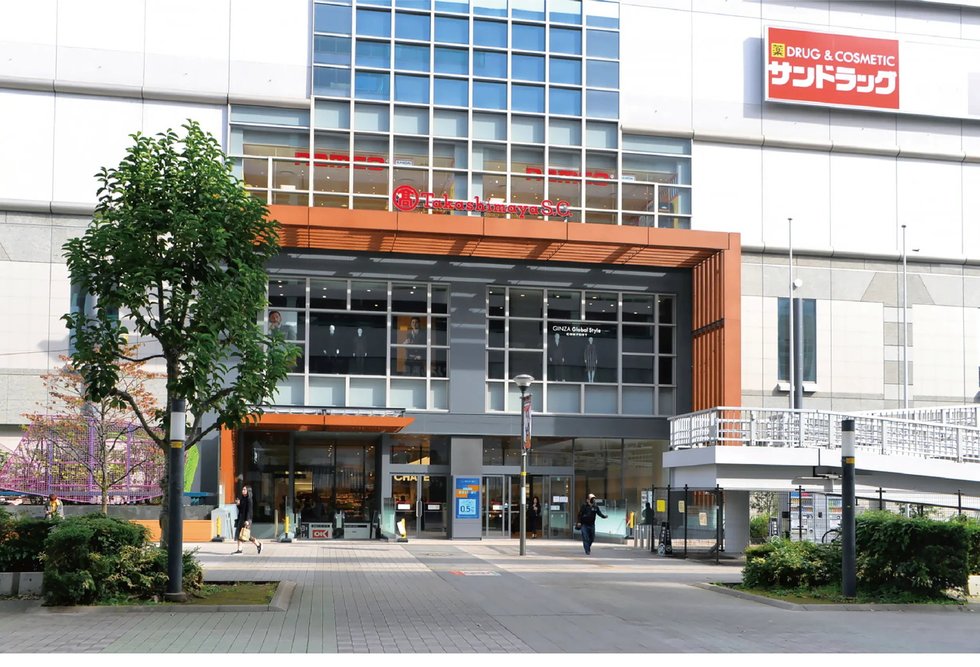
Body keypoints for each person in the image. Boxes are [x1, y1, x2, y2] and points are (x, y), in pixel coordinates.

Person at [233, 485, 263, 555]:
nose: (243, 491)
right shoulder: (243, 498)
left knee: (243, 534)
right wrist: (238, 504)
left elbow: (250, 511)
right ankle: (258, 545)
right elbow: (241, 510)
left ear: (248, 491)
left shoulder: (249, 500)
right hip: (241, 518)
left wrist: (247, 520)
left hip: (246, 519)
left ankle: (240, 550)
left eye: (244, 489)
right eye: (242, 489)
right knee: (244, 534)